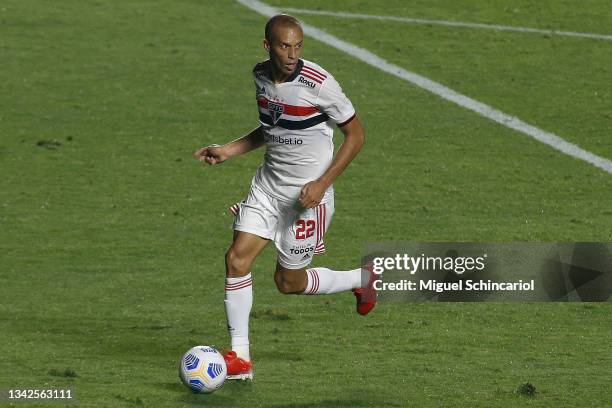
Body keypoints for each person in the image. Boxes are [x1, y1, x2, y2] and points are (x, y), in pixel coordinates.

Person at [193, 14, 376, 381]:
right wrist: (229, 150)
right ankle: (240, 360)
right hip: (268, 188)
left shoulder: (320, 84)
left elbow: (356, 135)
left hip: (307, 199)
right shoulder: (260, 75)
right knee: (236, 260)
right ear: (268, 46)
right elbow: (272, 127)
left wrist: (323, 183)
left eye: (298, 46)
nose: (292, 54)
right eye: (284, 46)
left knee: (287, 283)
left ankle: (361, 279)